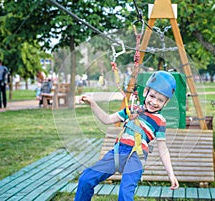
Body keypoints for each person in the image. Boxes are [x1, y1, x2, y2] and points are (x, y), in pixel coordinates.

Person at [75, 71, 179, 201]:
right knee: (85, 179)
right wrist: (92, 103)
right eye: (152, 96)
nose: (154, 102)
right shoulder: (131, 110)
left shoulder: (160, 121)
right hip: (118, 152)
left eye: (160, 100)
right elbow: (107, 119)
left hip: (137, 156)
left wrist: (171, 174)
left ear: (166, 102)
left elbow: (163, 149)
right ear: (145, 91)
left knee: (125, 192)